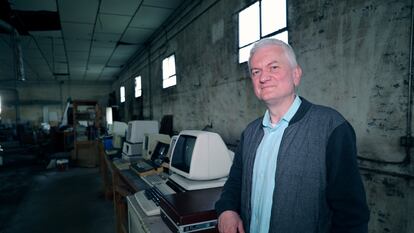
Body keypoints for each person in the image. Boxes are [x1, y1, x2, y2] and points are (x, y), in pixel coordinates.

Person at [215, 38, 370, 233]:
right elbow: (235, 181)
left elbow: (351, 215)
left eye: (273, 67)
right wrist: (227, 209)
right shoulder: (250, 132)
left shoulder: (331, 127)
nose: (263, 78)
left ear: (296, 75)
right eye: (256, 72)